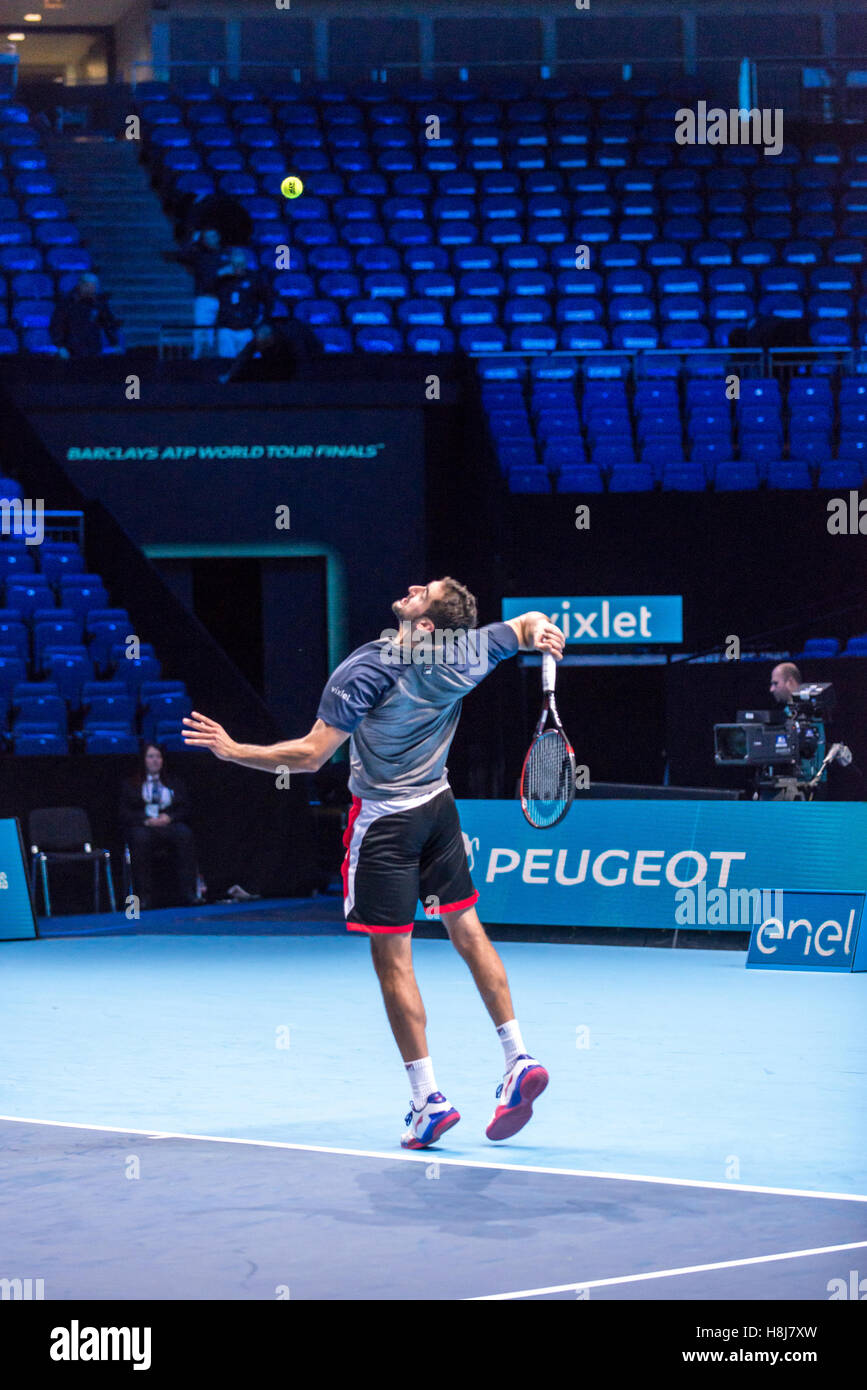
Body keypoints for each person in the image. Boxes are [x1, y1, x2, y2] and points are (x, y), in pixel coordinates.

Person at [182, 579, 565, 1150]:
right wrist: (541, 633)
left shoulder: (369, 667)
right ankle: (517, 1056)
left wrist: (235, 751)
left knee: (394, 961)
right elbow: (527, 622)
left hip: (385, 822)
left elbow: (312, 756)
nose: (412, 588)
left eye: (424, 592)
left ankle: (427, 1101)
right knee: (467, 928)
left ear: (427, 625)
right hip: (439, 809)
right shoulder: (467, 652)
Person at [120, 743, 199, 910]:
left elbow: (185, 808)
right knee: (139, 838)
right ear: (144, 760)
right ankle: (144, 897)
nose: (155, 761)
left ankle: (189, 893)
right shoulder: (130, 784)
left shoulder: (174, 782)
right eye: (151, 756)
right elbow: (125, 812)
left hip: (168, 824)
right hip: (144, 825)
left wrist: (169, 817)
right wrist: (146, 820)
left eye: (158, 757)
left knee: (185, 834)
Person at [169, 226, 226, 359]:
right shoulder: (198, 254)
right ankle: (198, 360)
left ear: (218, 237)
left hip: (223, 298)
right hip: (204, 298)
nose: (210, 240)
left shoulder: (225, 254)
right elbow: (181, 256)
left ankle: (220, 361)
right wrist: (194, 239)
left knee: (221, 334)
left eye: (213, 236)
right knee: (201, 333)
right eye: (207, 238)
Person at [214, 248, 272, 359]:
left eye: (241, 264)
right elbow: (207, 289)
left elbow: (268, 301)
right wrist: (218, 275)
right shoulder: (223, 279)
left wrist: (263, 322)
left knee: (248, 364)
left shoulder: (254, 279)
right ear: (231, 264)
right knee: (226, 362)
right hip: (226, 329)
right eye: (236, 264)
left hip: (247, 329)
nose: (239, 267)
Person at [221, 318, 321, 383]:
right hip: (281, 359)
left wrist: (303, 384)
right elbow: (244, 356)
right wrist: (229, 375)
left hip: (309, 351)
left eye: (263, 345)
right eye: (259, 345)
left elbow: (303, 360)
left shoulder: (292, 336)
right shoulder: (260, 338)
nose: (260, 349)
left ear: (271, 339)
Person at [49, 273, 120, 359]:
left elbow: (108, 324)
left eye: (94, 286)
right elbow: (57, 325)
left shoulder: (99, 303)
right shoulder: (66, 303)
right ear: (81, 285)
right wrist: (60, 346)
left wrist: (115, 343)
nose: (92, 289)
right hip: (71, 349)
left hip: (93, 348)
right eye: (89, 286)